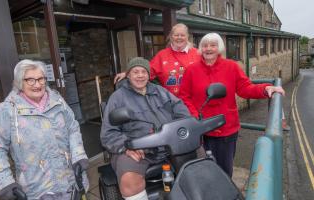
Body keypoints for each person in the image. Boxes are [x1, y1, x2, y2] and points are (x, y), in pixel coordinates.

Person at [179, 33, 285, 177]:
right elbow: (184, 96)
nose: (208, 48)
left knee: (224, 170)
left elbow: (245, 88)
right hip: (201, 129)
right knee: (203, 171)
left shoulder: (231, 67)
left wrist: (265, 89)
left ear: (219, 48)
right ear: (200, 48)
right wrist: (194, 115)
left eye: (213, 45)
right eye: (205, 45)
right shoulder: (191, 70)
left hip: (226, 129)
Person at [0, 59, 89, 200]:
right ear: (19, 82)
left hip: (71, 182)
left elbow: (73, 128)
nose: (38, 84)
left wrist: (79, 156)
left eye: (41, 79)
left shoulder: (57, 101)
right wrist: (5, 183)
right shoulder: (7, 110)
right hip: (37, 190)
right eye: (30, 80)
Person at [101, 57, 191, 200]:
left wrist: (184, 130)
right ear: (128, 75)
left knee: (198, 157)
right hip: (138, 149)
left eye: (144, 72)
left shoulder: (161, 91)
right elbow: (108, 133)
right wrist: (126, 148)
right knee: (129, 179)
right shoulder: (117, 98)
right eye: (135, 72)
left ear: (149, 75)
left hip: (168, 144)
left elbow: (181, 112)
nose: (140, 75)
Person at [114, 23, 201, 96]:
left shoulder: (197, 54)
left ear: (187, 37)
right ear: (171, 37)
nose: (179, 37)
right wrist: (127, 73)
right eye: (176, 35)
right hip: (170, 102)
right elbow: (148, 70)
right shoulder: (162, 55)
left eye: (182, 35)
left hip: (193, 101)